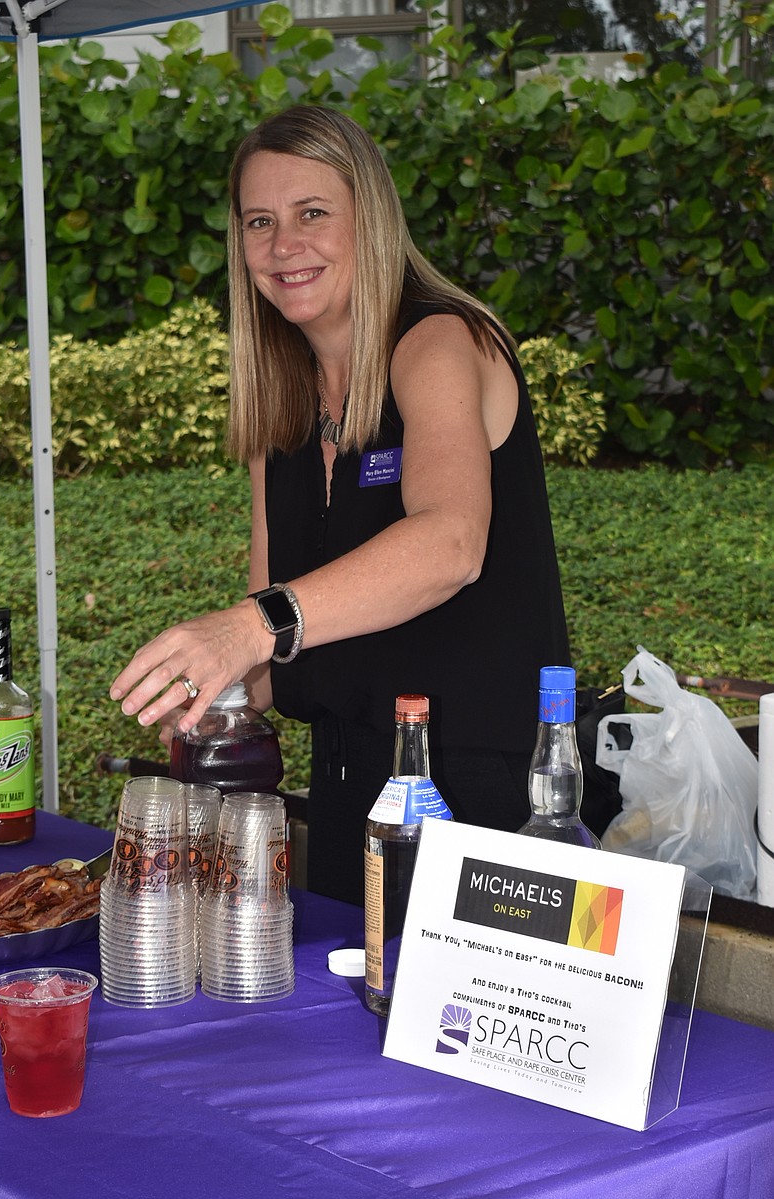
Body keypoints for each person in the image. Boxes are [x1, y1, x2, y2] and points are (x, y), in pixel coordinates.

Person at [110, 104, 570, 907]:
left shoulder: (438, 342)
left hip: (480, 802)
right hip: (346, 793)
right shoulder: (279, 408)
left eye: (312, 214)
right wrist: (205, 690)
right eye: (260, 222)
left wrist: (248, 627)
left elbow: (450, 544)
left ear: (372, 220)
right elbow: (269, 648)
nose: (284, 245)